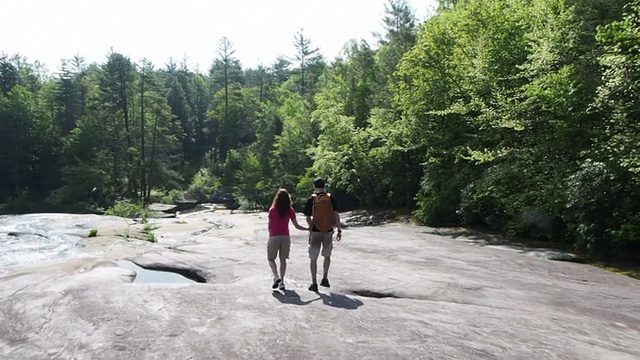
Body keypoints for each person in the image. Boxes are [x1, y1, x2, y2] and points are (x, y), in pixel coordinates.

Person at [304, 177, 342, 292]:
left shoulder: (312, 199)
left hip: (316, 231)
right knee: (327, 255)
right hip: (328, 231)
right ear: (324, 186)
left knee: (313, 258)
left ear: (314, 186)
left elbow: (307, 216)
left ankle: (314, 283)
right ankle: (325, 278)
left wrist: (311, 227)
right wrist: (339, 230)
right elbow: (336, 215)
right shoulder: (330, 198)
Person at [267, 188, 308, 291]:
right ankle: (282, 282)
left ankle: (276, 277)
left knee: (271, 258)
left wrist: (271, 236)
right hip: (285, 237)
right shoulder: (290, 210)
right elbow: (296, 225)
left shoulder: (272, 210)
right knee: (283, 260)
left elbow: (270, 226)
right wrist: (308, 228)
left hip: (274, 237)